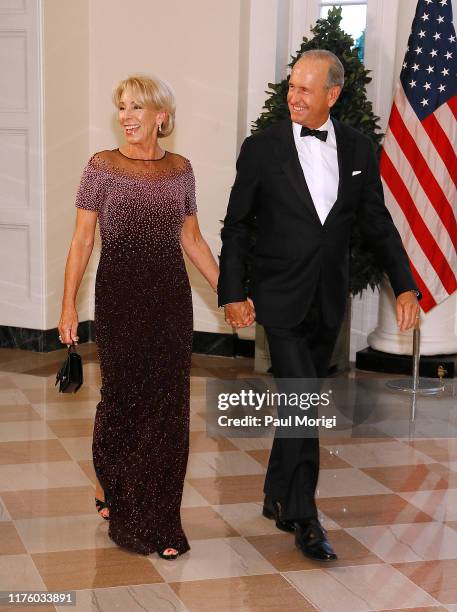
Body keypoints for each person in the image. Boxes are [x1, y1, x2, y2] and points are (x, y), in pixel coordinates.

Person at [217, 50, 421, 562]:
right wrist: (232, 291)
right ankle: (305, 518)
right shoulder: (261, 148)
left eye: (305, 90)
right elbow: (237, 224)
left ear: (333, 95)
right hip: (280, 297)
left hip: (327, 300)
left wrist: (404, 284)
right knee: (305, 402)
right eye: (291, 87)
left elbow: (375, 222)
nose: (293, 97)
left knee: (296, 400)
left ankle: (275, 494)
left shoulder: (357, 147)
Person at [58, 74, 219, 559]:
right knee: (124, 401)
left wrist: (228, 290)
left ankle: (163, 519)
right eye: (122, 108)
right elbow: (83, 240)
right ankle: (122, 502)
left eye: (137, 108)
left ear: (161, 117)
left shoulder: (180, 169)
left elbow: (191, 238)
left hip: (170, 300)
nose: (127, 117)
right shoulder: (101, 167)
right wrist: (67, 304)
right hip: (119, 299)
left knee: (169, 406)